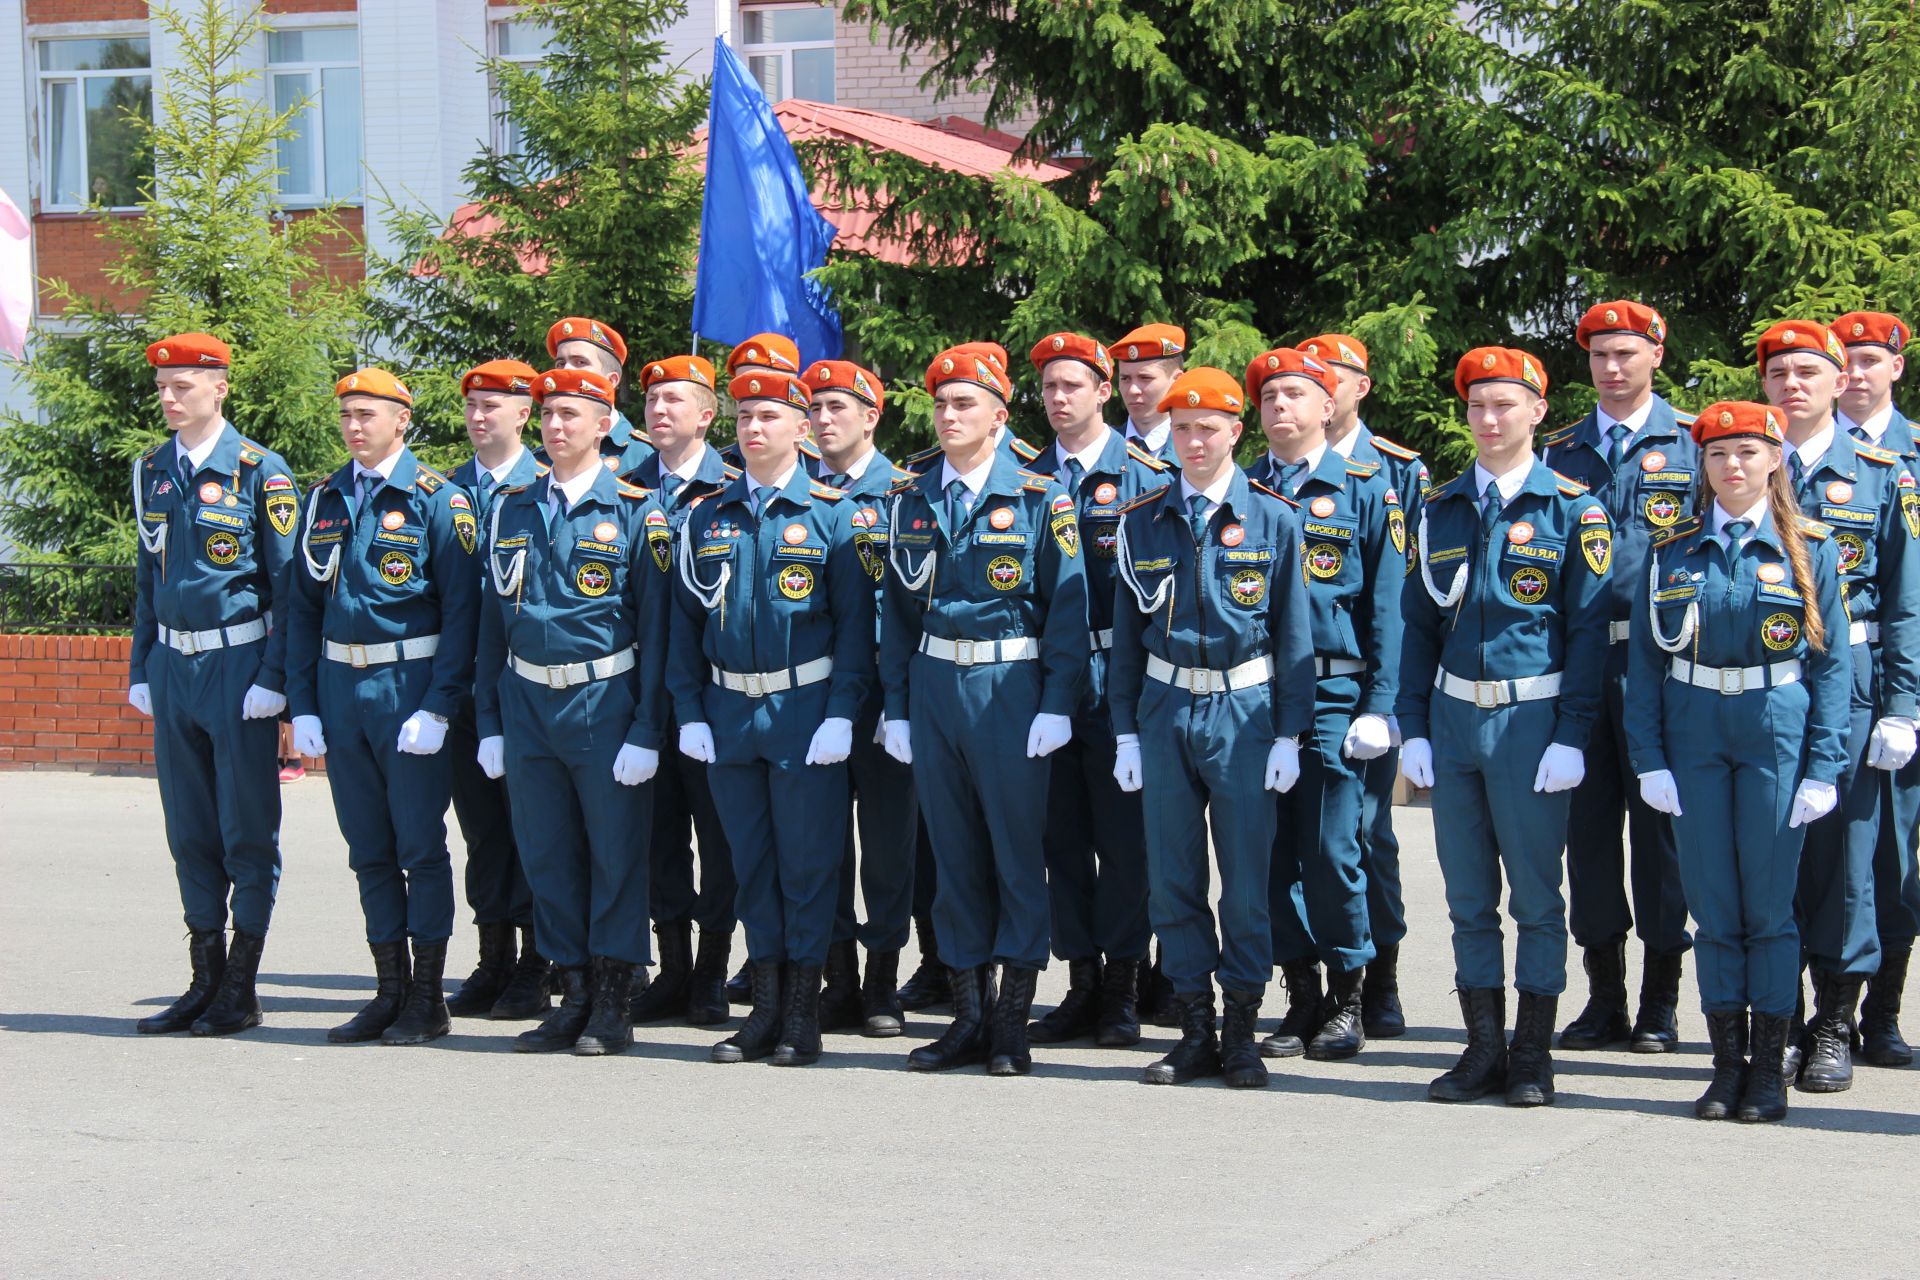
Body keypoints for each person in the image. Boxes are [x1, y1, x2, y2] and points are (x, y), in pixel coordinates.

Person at [1624, 401, 1850, 1122]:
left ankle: (1770, 1070)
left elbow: (1832, 669)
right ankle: (1727, 1067)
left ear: (1774, 460)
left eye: (1748, 452)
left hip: (1774, 732)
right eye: (1718, 455)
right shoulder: (1672, 551)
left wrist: (1823, 765)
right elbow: (1642, 666)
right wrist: (1649, 758)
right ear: (1703, 466)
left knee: (1770, 910)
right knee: (1716, 908)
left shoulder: (1811, 550)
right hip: (1693, 733)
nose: (1732, 466)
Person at [1400, 347, 1611, 1108]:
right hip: (1454, 721)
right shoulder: (1441, 507)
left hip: (1532, 720)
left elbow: (1589, 631)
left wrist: (1572, 733)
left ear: (1537, 412)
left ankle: (1532, 1052)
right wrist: (1412, 725)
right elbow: (1416, 625)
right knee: (1465, 897)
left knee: (1535, 897)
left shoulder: (1574, 509)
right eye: (1477, 406)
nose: (1489, 420)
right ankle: (1482, 1046)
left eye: (1504, 405)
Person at [879, 344, 1090, 1075]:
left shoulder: (1039, 497)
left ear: (1000, 416)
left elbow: (1067, 608)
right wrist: (898, 708)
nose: (947, 416)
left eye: (964, 404)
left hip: (1010, 690)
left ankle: (1012, 1019)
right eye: (940, 404)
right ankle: (967, 1012)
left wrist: (1058, 702)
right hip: (936, 687)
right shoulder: (912, 498)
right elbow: (899, 616)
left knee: (1014, 855)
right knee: (953, 856)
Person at [1108, 365, 1314, 1086]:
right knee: (1173, 877)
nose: (1194, 441)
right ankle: (1194, 1027)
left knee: (1246, 881)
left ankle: (1242, 1031)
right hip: (1165, 710)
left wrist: (1291, 732)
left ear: (1236, 431)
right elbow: (1127, 639)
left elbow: (1294, 635)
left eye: (1208, 428)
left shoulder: (1275, 518)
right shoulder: (1142, 520)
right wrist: (1125, 732)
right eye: (1183, 428)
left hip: (1245, 711)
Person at [669, 371, 875, 1065]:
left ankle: (802, 1013)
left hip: (803, 709)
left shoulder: (830, 515)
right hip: (728, 711)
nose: (754, 429)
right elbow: (683, 627)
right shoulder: (708, 514)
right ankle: (763, 1006)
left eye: (770, 417)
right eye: (746, 417)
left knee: (808, 866)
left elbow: (855, 629)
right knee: (751, 865)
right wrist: (689, 710)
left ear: (801, 429)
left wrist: (841, 713)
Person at [473, 366, 671, 1056]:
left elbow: (658, 630)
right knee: (548, 855)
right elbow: (490, 626)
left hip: (603, 701)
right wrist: (490, 720)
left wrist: (647, 728)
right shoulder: (512, 507)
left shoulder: (636, 510)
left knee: (614, 856)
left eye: (572, 415)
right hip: (526, 702)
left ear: (605, 426)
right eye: (550, 414)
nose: (558, 427)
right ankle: (573, 991)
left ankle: (615, 1000)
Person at [285, 368, 478, 1046]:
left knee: (420, 847)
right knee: (368, 847)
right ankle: (387, 991)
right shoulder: (325, 499)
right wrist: (301, 703)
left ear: (403, 421)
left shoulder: (437, 501)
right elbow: (302, 608)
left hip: (408, 689)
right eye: (347, 415)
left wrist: (440, 705)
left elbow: (463, 613)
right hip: (341, 692)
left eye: (368, 414)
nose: (354, 426)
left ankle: (428, 996)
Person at [1759, 319, 1920, 1092]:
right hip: (1763, 681)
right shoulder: (1741, 461)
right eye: (1780, 374)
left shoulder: (1885, 473)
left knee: (1847, 861)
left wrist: (1903, 703)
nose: (1795, 386)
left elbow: (1908, 601)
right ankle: (1781, 1023)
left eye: (1810, 373)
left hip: (1851, 677)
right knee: (1771, 854)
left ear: (1838, 384)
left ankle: (1834, 1024)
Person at [1538, 301, 1698, 1054]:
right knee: (1588, 832)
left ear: (1656, 356)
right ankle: (1605, 996)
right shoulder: (1560, 453)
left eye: (1626, 353)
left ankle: (1662, 1002)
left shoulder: (1698, 445)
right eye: (1600, 354)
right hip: (1580, 661)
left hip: (1664, 662)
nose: (1612, 367)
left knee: (1663, 836)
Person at [128, 332, 297, 1037]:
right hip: (175, 666)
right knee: (189, 827)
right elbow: (148, 577)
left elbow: (290, 587)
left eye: (185, 386)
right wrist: (140, 666)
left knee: (245, 827)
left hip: (237, 664)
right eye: (164, 387)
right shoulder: (151, 471)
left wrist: (276, 678)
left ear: (220, 387)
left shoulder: (260, 470)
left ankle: (241, 983)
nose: (170, 398)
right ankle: (203, 977)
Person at [1242, 346, 1400, 1061]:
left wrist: (1383, 705)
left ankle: (1348, 994)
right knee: (1269, 855)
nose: (1281, 409)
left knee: (1335, 851)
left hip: (1338, 692)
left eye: (1297, 396)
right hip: (1261, 694)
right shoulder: (1243, 492)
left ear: (1328, 405)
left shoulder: (1367, 487)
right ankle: (1299, 993)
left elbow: (1391, 611)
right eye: (1270, 398)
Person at [1022, 332, 1169, 1048]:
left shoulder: (1144, 474)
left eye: (1071, 386)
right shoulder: (1023, 475)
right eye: (1048, 388)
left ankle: (1122, 987)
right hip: (1044, 679)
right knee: (1061, 838)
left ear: (1103, 391)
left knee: (1125, 841)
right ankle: (1079, 979)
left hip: (1117, 676)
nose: (1057, 399)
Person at [1296, 332, 1431, 1037]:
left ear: (1356, 388)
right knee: (1307, 843)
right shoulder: (1270, 469)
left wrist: (1392, 702)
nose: (1318, 387)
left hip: (1365, 686)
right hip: (1291, 691)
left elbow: (1401, 596)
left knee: (1365, 836)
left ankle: (1380, 977)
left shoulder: (1392, 472)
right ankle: (1312, 984)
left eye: (1331, 376)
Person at [624, 354, 741, 1026]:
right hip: (643, 698)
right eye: (653, 400)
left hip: (711, 696)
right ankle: (670, 967)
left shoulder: (730, 488)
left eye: (676, 401)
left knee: (719, 837)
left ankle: (712, 972)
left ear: (705, 414)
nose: (661, 411)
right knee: (655, 836)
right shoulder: (625, 489)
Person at [806, 358, 922, 1035]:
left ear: (871, 417)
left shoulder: (907, 493)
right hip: (812, 693)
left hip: (884, 694)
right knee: (820, 844)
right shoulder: (793, 490)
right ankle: (837, 977)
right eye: (815, 409)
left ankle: (882, 981)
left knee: (886, 845)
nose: (823, 421)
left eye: (837, 409)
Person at [444, 359, 554, 1020]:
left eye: (495, 406)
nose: (480, 417)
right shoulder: (444, 489)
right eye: (473, 406)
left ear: (524, 414)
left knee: (535, 832)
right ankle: (494, 957)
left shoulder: (547, 486)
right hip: (462, 693)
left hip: (527, 693)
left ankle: (539, 963)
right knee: (483, 833)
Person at [1832, 310, 1918, 1067]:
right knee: (1835, 846)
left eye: (1869, 360)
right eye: (1846, 361)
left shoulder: (1913, 456)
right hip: (1841, 677)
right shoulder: (1790, 454)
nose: (1855, 374)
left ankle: (1882, 1013)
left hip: (1903, 678)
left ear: (1897, 365)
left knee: (1895, 851)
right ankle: (1826, 1008)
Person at [544, 317, 655, 477]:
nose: (566, 371)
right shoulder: (544, 456)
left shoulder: (645, 456)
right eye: (560, 364)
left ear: (611, 381)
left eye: (580, 362)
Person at [1110, 323, 1185, 461]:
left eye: (1145, 378)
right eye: (1125, 378)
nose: (1133, 390)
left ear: (1177, 380)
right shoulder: (1103, 449)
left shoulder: (1193, 452)